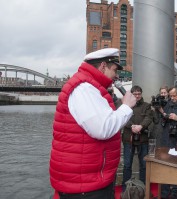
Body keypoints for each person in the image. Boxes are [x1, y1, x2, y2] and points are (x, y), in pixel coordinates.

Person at [49, 48, 137, 199]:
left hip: (88, 180)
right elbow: (103, 128)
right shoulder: (85, 88)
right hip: (86, 186)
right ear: (103, 65)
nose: (116, 75)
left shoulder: (90, 86)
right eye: (115, 69)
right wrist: (126, 107)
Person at [121, 85, 153, 192]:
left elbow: (149, 117)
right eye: (135, 94)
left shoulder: (146, 105)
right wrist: (132, 127)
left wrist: (141, 126)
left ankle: (143, 189)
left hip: (142, 138)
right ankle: (125, 190)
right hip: (128, 139)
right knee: (127, 165)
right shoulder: (125, 105)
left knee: (144, 165)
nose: (137, 96)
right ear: (132, 94)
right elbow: (122, 116)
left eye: (139, 94)